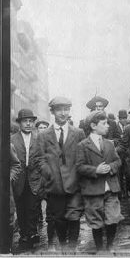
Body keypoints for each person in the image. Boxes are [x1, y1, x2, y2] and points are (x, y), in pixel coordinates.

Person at [38, 97, 86, 251]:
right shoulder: (44, 135)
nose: (63, 113)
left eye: (66, 109)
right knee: (59, 219)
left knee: (74, 217)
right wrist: (49, 173)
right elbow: (39, 158)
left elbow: (84, 155)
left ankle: (71, 249)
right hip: (55, 185)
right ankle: (63, 246)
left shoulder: (78, 133)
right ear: (52, 112)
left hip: (74, 184)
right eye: (59, 110)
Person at [76, 111, 124, 252]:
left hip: (110, 189)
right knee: (96, 222)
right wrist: (95, 170)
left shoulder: (109, 143)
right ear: (93, 126)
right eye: (104, 124)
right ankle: (100, 250)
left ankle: (109, 246)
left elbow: (118, 161)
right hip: (93, 190)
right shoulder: (83, 145)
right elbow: (79, 167)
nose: (107, 126)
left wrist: (111, 167)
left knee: (113, 218)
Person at [11, 109, 42, 250]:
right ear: (19, 123)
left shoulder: (39, 138)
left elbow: (43, 158)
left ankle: (31, 233)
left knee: (33, 207)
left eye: (31, 121)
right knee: (21, 207)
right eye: (25, 121)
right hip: (18, 180)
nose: (28, 124)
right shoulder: (12, 139)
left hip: (34, 179)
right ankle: (24, 234)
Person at [9, 144, 22, 253]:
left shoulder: (6, 145)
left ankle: (7, 249)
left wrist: (8, 178)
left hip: (3, 193)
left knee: (7, 221)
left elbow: (16, 165)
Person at [116, 109, 130, 198]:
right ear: (119, 119)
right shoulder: (115, 126)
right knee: (119, 174)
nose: (123, 120)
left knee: (128, 173)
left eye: (125, 118)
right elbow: (113, 138)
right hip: (119, 154)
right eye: (121, 118)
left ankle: (127, 191)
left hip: (127, 155)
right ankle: (120, 192)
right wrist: (120, 139)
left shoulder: (129, 126)